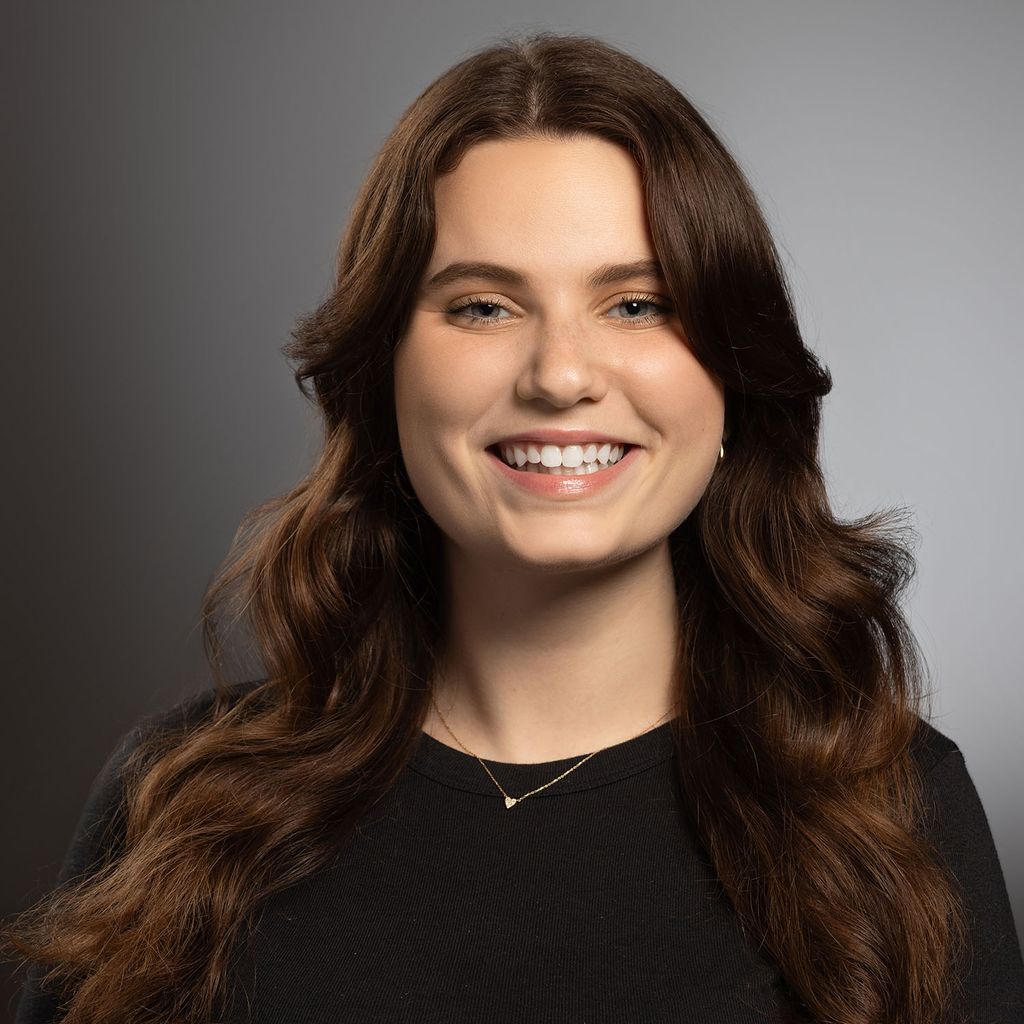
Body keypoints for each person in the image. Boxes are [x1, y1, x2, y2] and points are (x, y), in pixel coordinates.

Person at [5, 30, 1023, 1024]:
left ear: (733, 375)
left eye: (637, 303)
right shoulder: (178, 803)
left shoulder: (892, 811)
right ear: (383, 373)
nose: (561, 375)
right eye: (485, 306)